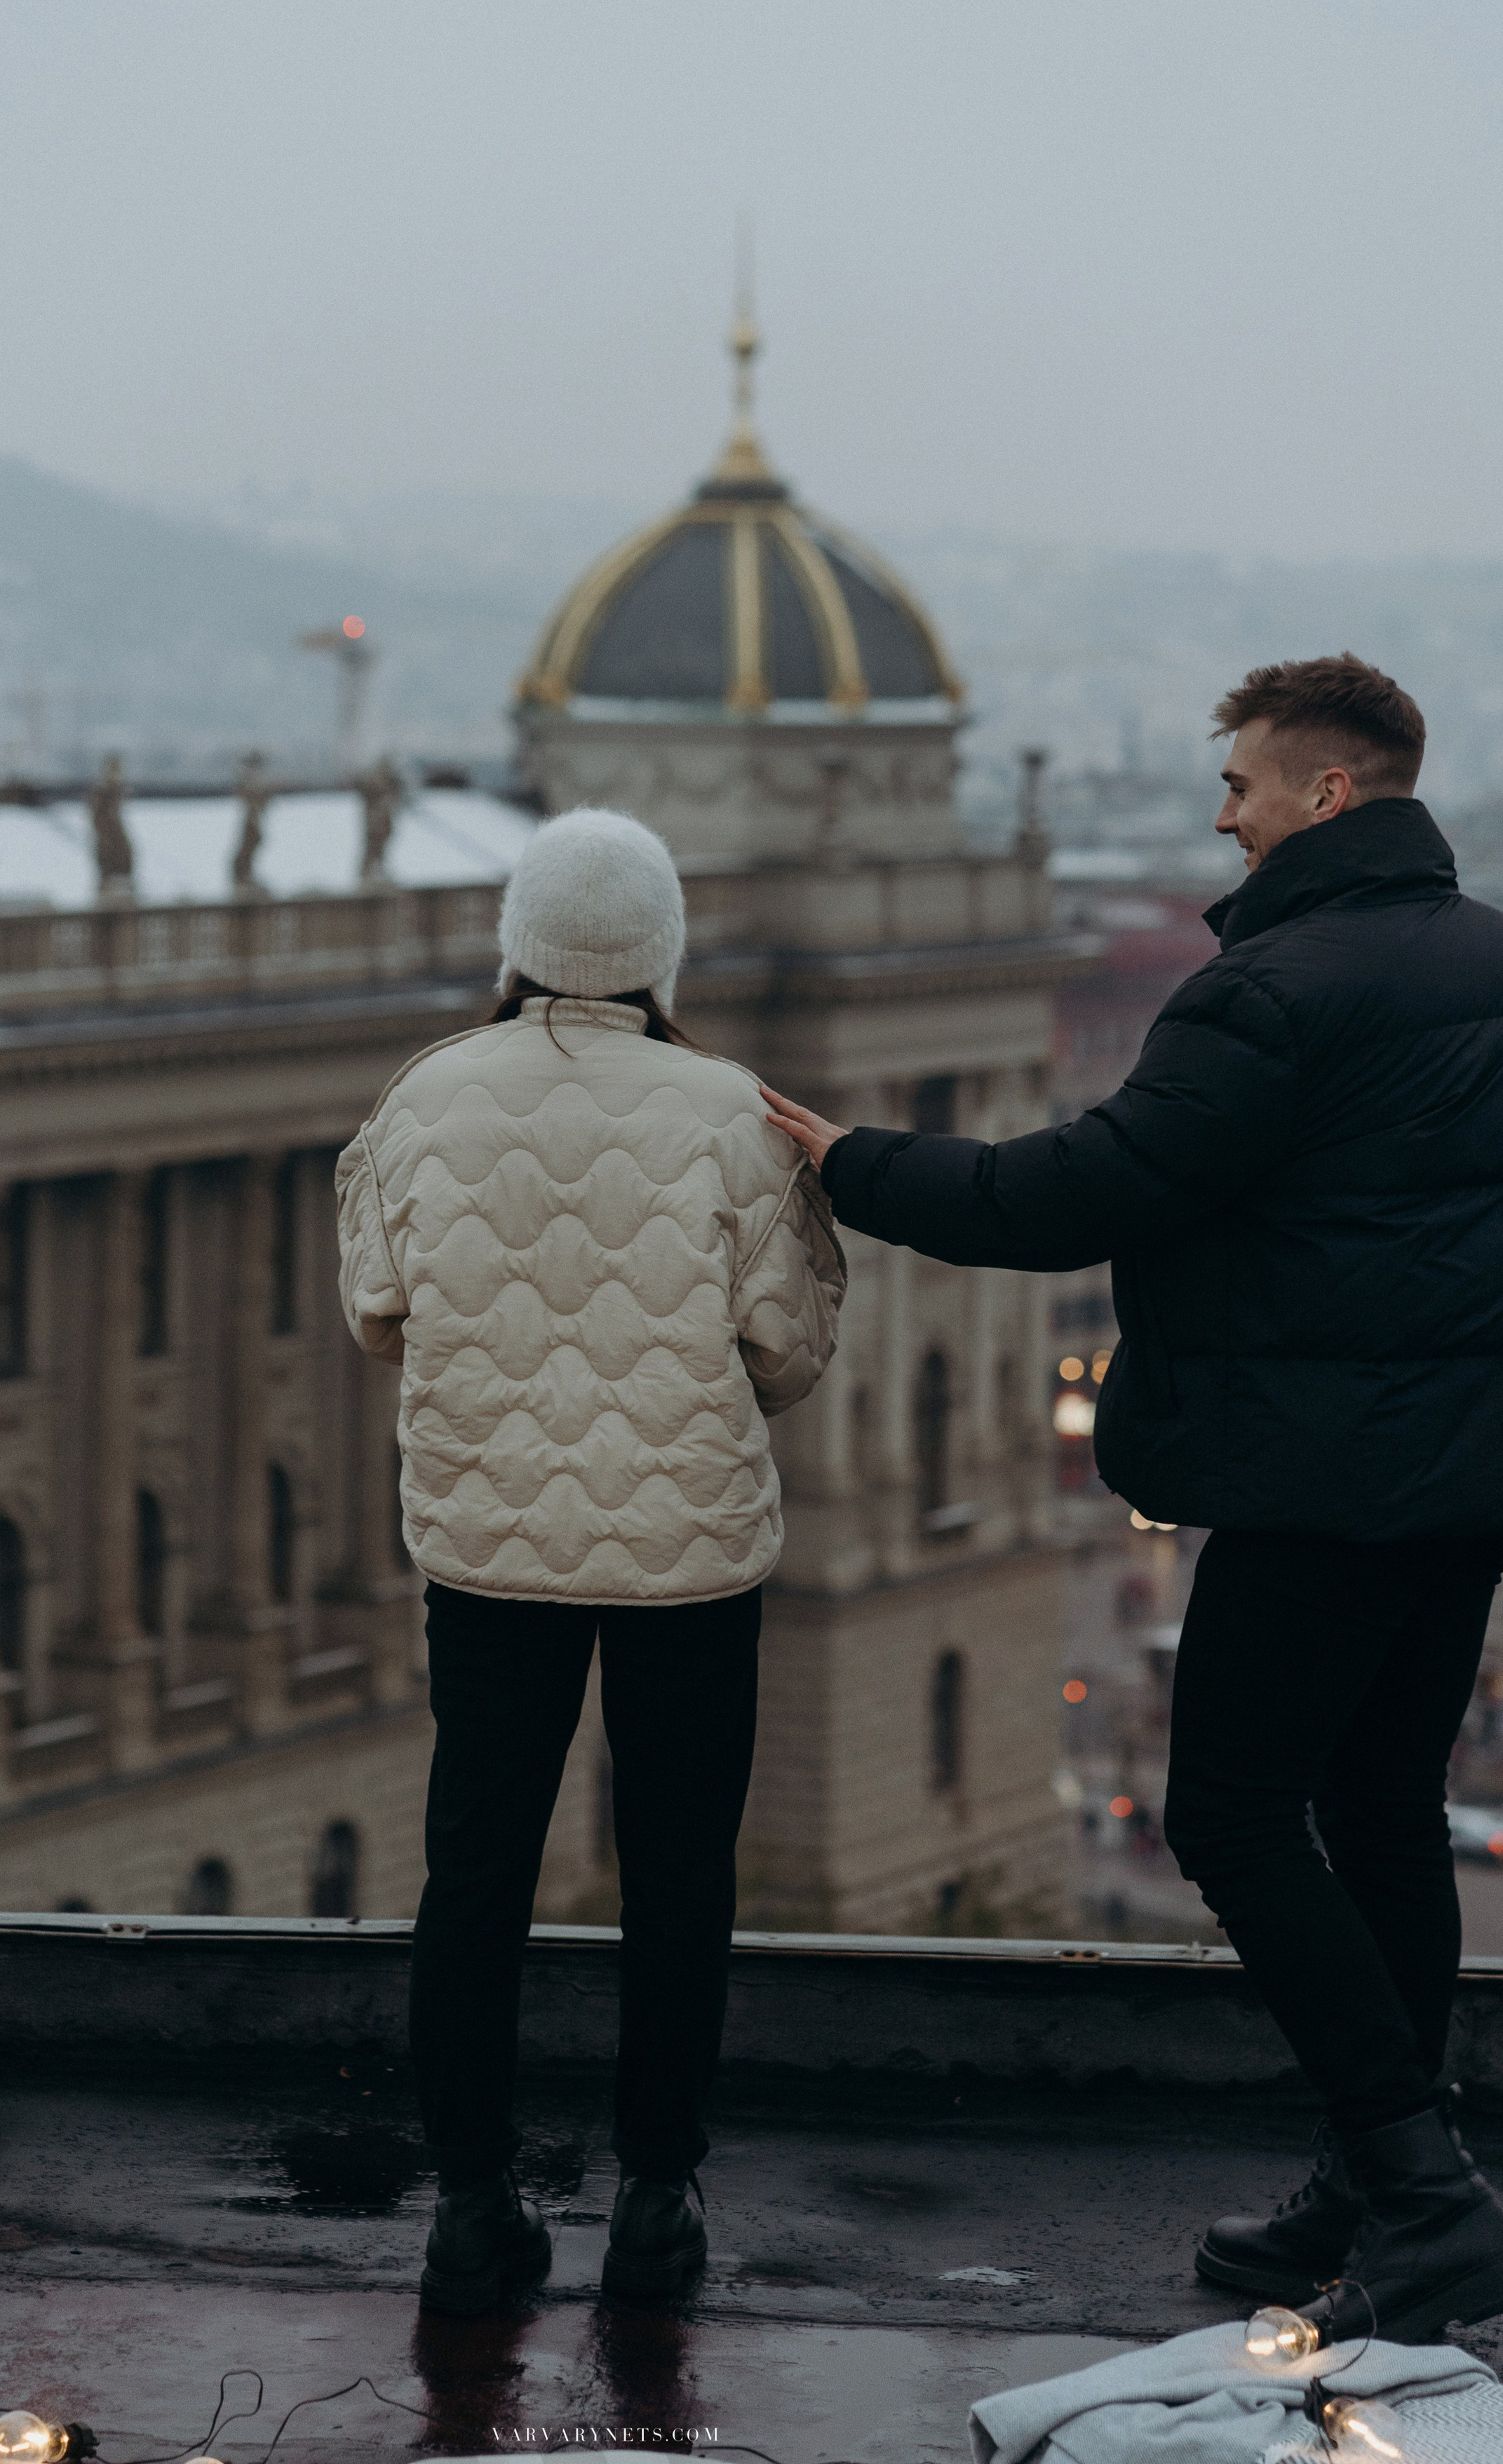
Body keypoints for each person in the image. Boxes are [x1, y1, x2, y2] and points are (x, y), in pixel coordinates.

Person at [761, 654, 1503, 2346]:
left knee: (1232, 1818)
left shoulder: (1266, 991)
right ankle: (1373, 2172)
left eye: (1238, 782)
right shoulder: (1485, 956)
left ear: (1325, 795)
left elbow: (1077, 1190)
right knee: (1380, 1811)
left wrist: (845, 1159)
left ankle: (1415, 2191)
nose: (1218, 812)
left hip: (1313, 1482)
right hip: (1457, 1478)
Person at [337, 806, 845, 2316]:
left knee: (474, 1878)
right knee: (679, 1874)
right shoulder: (728, 1109)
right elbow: (786, 1346)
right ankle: (656, 2202)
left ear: (518, 944)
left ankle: (473, 2207)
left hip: (487, 1551)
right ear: (659, 955)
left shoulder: (425, 1095)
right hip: (691, 1555)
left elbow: (375, 1307)